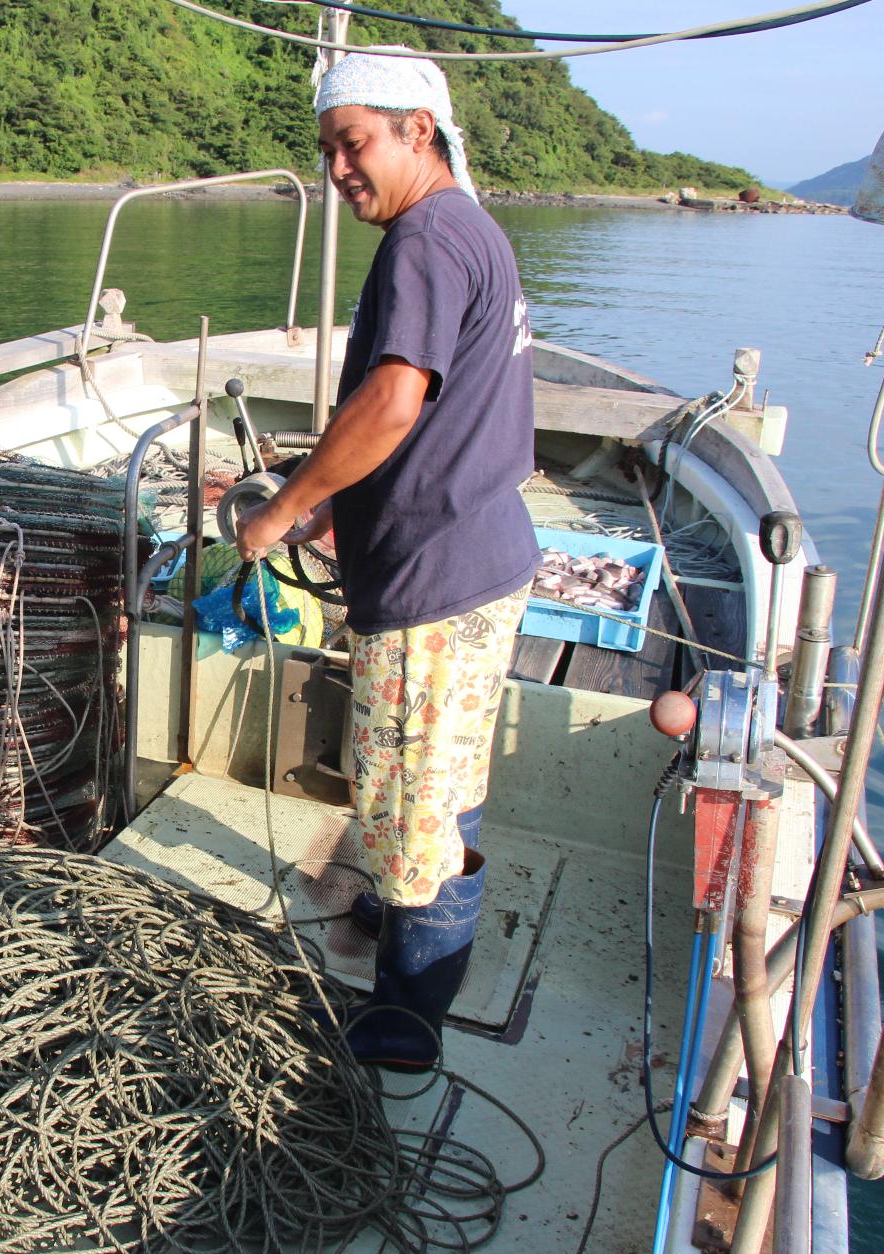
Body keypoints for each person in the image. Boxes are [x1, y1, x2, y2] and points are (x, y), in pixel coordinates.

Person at [236, 51, 538, 1071]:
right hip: (472, 558)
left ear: (419, 131)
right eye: (325, 150)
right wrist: (343, 502)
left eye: (352, 143)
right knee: (438, 775)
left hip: (432, 582)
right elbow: (422, 419)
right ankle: (408, 924)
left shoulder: (423, 240)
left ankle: (404, 1019)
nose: (337, 170)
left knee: (407, 793)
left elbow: (394, 399)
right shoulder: (464, 230)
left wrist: (288, 504)